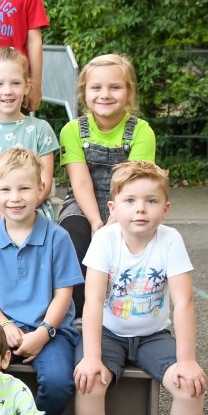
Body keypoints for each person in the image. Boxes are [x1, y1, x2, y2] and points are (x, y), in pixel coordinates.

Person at [73, 161, 208, 415]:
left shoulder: (170, 240)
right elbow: (92, 302)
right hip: (108, 333)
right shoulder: (105, 240)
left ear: (165, 208)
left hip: (153, 335)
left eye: (151, 201)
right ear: (113, 207)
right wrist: (91, 357)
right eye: (130, 201)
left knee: (190, 385)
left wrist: (187, 360)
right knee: (89, 380)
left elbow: (183, 303)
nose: (140, 209)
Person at [0, 148, 82, 415]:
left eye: (24, 188)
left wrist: (43, 333)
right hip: (4, 327)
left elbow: (63, 295)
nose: (15, 198)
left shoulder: (58, 237)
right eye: (6, 189)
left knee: (57, 383)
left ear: (41, 189)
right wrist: (5, 325)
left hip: (52, 331)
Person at [57, 53, 156, 317]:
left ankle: (122, 312)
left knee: (130, 239)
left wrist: (114, 220)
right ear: (84, 93)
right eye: (96, 88)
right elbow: (80, 181)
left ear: (129, 93)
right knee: (71, 235)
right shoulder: (72, 130)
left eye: (115, 87)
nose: (105, 94)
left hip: (128, 201)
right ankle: (77, 314)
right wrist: (95, 222)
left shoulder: (142, 131)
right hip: (83, 201)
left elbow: (134, 183)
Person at [0, 47, 59, 244]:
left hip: (34, 209)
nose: (7, 91)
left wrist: (22, 211)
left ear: (26, 87)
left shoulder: (40, 130)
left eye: (15, 83)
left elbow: (45, 183)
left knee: (40, 239)